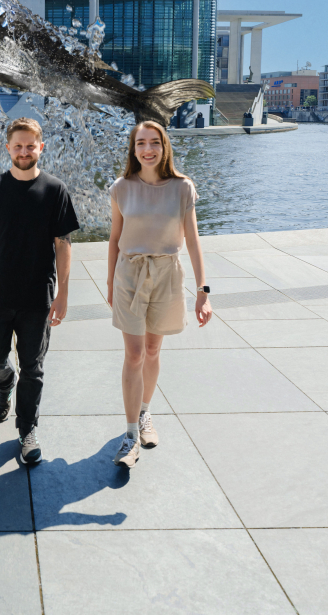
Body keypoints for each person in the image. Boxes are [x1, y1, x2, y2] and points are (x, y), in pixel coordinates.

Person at [0, 116, 79, 464]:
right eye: (18, 146)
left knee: (34, 366)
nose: (24, 151)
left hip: (37, 298)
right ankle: (4, 384)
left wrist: (63, 294)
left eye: (31, 145)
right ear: (8, 148)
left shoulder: (55, 190)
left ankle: (27, 429)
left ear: (41, 147)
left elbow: (63, 244)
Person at [107, 120, 212, 469]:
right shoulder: (121, 187)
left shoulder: (183, 188)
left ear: (164, 147)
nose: (147, 149)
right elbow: (114, 239)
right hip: (130, 276)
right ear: (133, 149)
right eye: (140, 143)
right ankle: (130, 433)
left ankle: (145, 411)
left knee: (153, 349)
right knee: (134, 353)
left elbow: (194, 241)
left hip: (167, 275)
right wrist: (110, 282)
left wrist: (203, 291)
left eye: (154, 142)